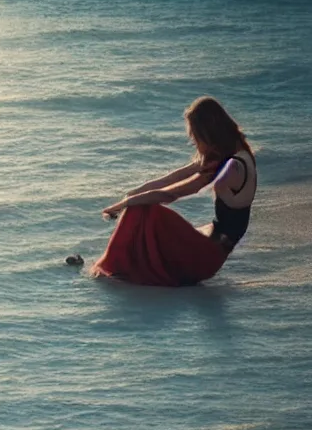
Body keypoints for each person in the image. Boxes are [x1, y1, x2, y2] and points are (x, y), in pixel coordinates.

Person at [92, 96, 256, 287]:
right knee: (137, 203)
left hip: (207, 258)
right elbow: (170, 179)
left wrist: (125, 205)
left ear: (209, 134)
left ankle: (110, 270)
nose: (196, 145)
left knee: (143, 209)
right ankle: (118, 269)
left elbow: (170, 194)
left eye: (196, 139)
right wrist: (130, 195)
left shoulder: (232, 167)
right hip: (210, 248)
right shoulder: (230, 155)